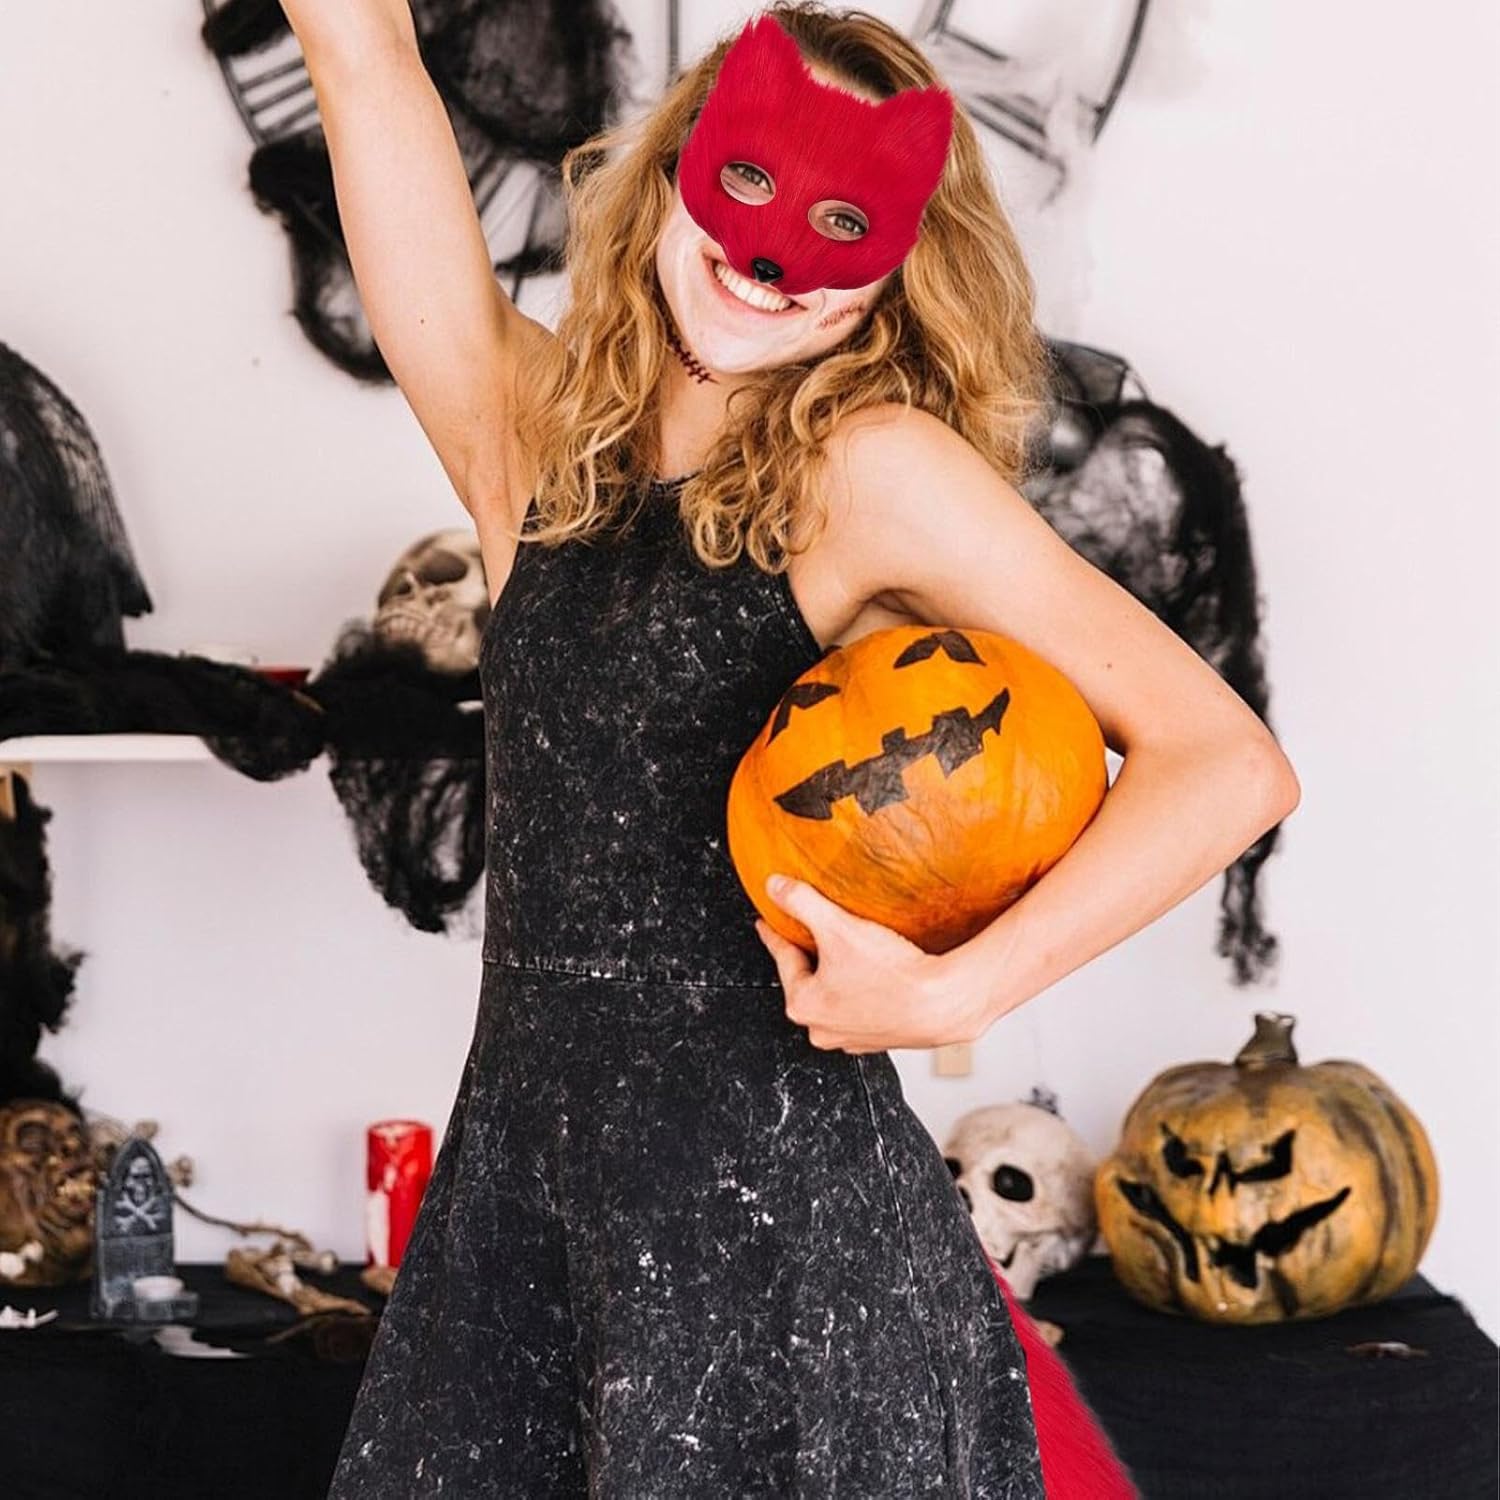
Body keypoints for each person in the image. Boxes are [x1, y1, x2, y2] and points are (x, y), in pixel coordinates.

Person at [283, 2, 1300, 1494]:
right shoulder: (545, 446)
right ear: (676, 173)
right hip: (528, 1212)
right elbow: (364, 50)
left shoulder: (871, 471)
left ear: (897, 263)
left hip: (783, 1247)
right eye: (750, 182)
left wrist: (956, 988)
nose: (769, 261)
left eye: (839, 221)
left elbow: (1227, 763)